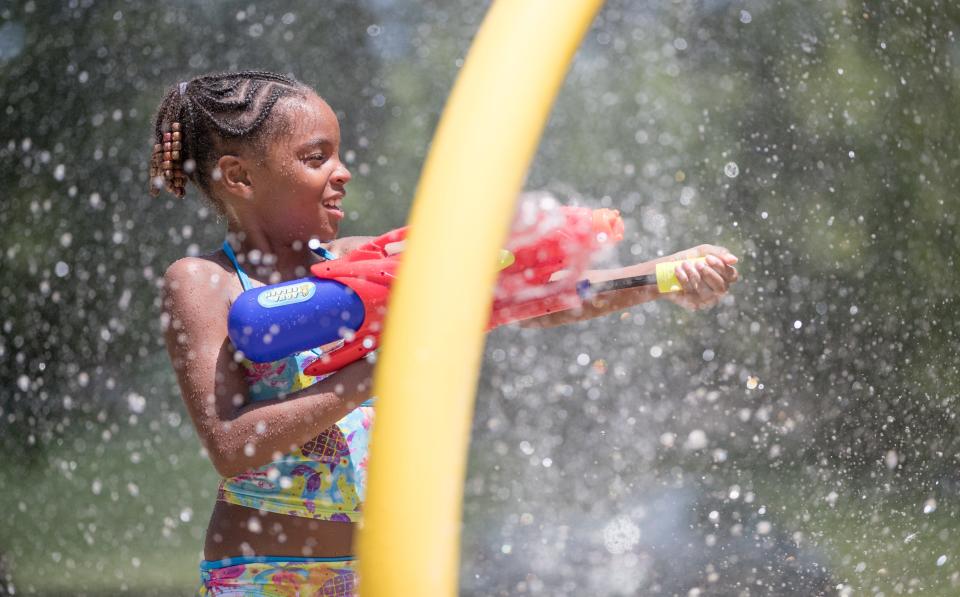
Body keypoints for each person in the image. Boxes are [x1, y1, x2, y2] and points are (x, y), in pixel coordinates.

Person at [154, 71, 739, 596]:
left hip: (384, 574)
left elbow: (535, 302)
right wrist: (385, 365)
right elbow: (232, 448)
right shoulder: (206, 284)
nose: (343, 172)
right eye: (316, 158)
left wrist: (661, 276)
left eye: (339, 154)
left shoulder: (361, 265)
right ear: (239, 176)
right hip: (262, 577)